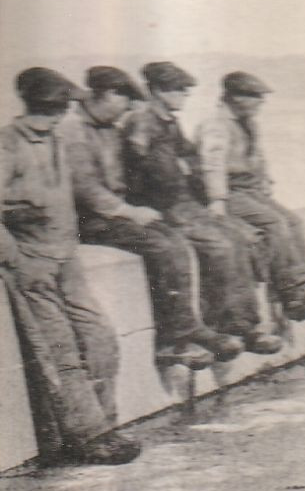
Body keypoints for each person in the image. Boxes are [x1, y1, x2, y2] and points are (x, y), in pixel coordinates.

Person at [0, 67, 140, 465]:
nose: (58, 114)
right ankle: (87, 435)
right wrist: (16, 260)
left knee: (100, 338)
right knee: (60, 352)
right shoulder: (7, 145)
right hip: (32, 264)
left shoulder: (60, 140)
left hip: (66, 257)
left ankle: (106, 425)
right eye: (54, 108)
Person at [63, 66, 238, 370]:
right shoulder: (74, 131)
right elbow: (85, 186)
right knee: (163, 247)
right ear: (106, 95)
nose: (129, 107)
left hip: (114, 213)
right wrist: (129, 211)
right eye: (125, 98)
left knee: (176, 241)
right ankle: (173, 341)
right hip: (90, 220)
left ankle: (188, 329)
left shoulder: (109, 128)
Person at [123, 62, 282, 355]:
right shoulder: (142, 122)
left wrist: (194, 179)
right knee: (219, 245)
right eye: (178, 89)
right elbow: (140, 166)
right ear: (156, 90)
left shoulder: (168, 121)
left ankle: (243, 324)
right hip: (164, 206)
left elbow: (189, 156)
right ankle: (226, 325)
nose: (184, 95)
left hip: (184, 201)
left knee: (241, 237)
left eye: (186, 89)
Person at [195, 72, 305, 323]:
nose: (259, 102)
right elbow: (212, 164)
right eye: (253, 97)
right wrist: (217, 199)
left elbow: (258, 159)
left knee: (293, 221)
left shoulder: (248, 123)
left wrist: (266, 183)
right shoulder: (215, 125)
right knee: (274, 223)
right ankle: (293, 295)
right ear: (233, 97)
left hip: (251, 190)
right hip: (230, 192)